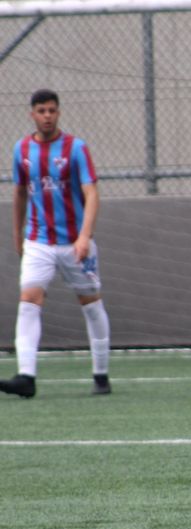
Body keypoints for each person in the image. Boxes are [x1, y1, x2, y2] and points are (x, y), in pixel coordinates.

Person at [1, 89, 111, 399]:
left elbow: (91, 193)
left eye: (52, 110)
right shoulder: (21, 149)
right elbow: (20, 193)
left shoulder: (76, 148)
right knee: (29, 300)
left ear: (58, 113)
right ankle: (26, 377)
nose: (47, 116)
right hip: (38, 241)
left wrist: (85, 236)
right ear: (31, 114)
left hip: (74, 242)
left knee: (91, 303)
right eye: (41, 111)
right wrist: (17, 234)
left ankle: (101, 375)